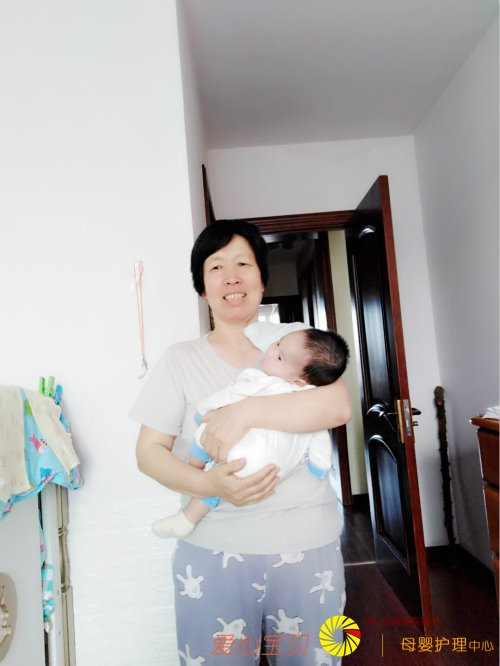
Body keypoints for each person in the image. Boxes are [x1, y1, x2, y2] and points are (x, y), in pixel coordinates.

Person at [130, 220, 352, 665]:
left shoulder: (297, 342)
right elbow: (148, 454)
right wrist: (211, 486)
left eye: (243, 264)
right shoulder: (180, 359)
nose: (231, 277)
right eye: (216, 267)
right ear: (202, 287)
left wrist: (246, 412)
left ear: (262, 279)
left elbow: (338, 406)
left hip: (307, 544)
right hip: (213, 549)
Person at [151, 326, 349, 539]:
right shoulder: (310, 392)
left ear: (298, 380)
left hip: (261, 475)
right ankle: (188, 518)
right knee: (223, 478)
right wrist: (320, 466)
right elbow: (319, 434)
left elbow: (229, 395)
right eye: (278, 343)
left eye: (280, 357)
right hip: (270, 469)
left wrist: (204, 412)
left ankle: (194, 469)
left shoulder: (262, 381)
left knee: (204, 436)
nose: (272, 350)